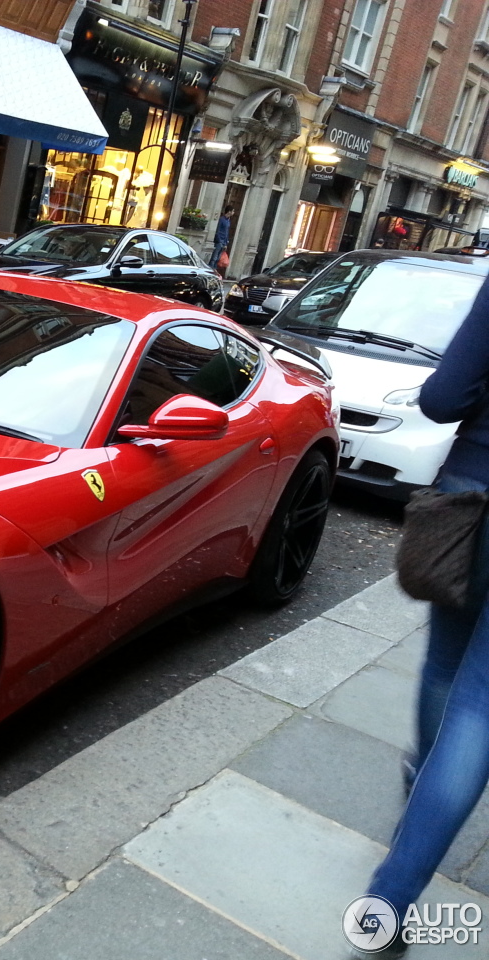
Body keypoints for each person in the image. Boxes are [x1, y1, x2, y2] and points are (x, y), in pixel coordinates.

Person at [357, 274, 489, 957]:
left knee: (446, 667)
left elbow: (442, 399)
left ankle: (421, 785)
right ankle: (387, 905)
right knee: (483, 705)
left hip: (474, 500)